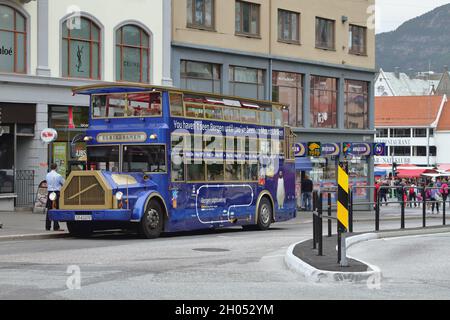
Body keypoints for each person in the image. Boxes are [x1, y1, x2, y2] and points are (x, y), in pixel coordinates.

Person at [45, 164, 65, 231]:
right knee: (55, 209)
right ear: (56, 168)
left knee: (49, 209)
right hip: (56, 193)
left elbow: (47, 183)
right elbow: (64, 183)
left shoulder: (47, 175)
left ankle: (47, 226)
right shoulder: (58, 175)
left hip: (50, 193)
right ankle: (56, 226)